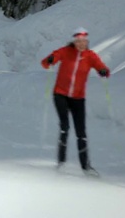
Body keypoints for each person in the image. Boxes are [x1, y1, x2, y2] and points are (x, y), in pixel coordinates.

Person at [41, 27, 110, 176]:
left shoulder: (90, 56)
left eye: (84, 41)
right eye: (78, 41)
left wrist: (103, 71)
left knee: (81, 132)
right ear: (74, 41)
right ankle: (61, 162)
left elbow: (101, 67)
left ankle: (86, 167)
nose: (81, 44)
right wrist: (50, 60)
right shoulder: (65, 52)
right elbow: (47, 62)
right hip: (60, 95)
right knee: (65, 127)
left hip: (78, 98)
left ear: (87, 42)